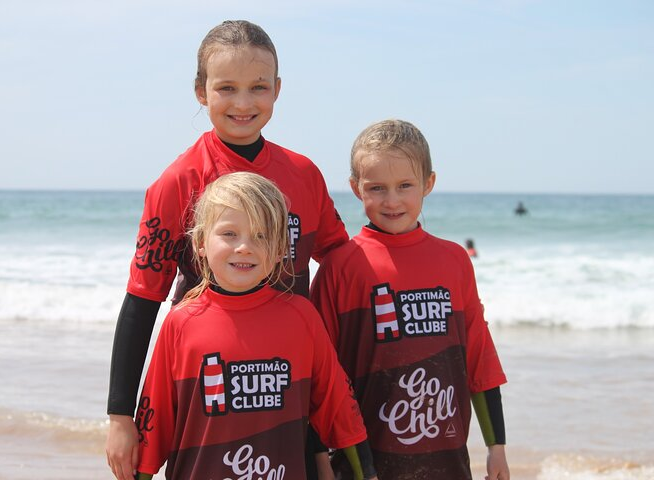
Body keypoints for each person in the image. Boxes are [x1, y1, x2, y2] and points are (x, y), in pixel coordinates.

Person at [106, 20, 348, 480]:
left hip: (288, 386)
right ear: (201, 91)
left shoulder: (304, 175)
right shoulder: (178, 182)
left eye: (258, 87)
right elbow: (142, 300)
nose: (243, 102)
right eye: (227, 88)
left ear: (277, 90)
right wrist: (120, 415)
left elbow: (343, 261)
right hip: (208, 399)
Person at [132, 172, 377, 479]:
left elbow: (339, 409)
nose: (245, 247)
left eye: (261, 236)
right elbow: (155, 426)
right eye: (229, 234)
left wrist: (366, 473)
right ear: (200, 243)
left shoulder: (301, 318)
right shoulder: (182, 323)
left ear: (279, 250)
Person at [310, 120, 510, 479]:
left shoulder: (454, 260)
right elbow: (320, 376)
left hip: (448, 463)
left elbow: (479, 357)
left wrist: (497, 448)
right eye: (377, 188)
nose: (392, 200)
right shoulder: (340, 267)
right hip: (365, 465)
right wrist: (320, 460)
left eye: (405, 186)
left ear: (428, 183)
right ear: (356, 189)